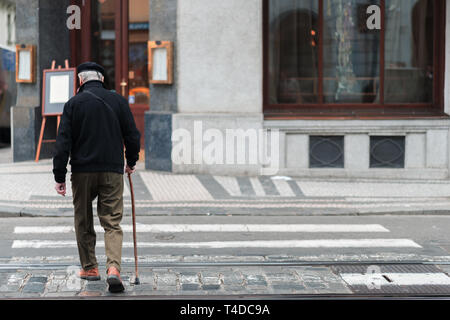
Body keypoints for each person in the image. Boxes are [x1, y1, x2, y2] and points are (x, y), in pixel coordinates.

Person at [53, 62, 141, 293]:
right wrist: (130, 162)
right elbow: (133, 135)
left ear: (80, 81)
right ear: (102, 79)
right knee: (112, 221)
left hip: (82, 171)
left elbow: (62, 143)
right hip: (112, 170)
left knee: (83, 218)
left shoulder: (73, 104)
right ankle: (113, 269)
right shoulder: (119, 101)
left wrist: (59, 175)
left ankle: (90, 268)